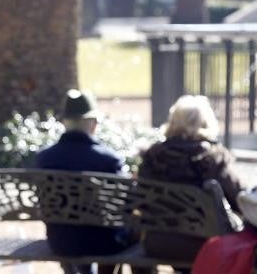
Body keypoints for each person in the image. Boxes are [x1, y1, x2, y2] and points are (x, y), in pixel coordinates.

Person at [138, 95, 245, 269]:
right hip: (203, 245)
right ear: (205, 123)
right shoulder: (212, 159)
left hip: (157, 244)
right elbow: (239, 198)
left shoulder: (152, 157)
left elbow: (140, 201)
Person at [33, 90, 131, 273]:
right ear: (93, 124)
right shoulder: (108, 160)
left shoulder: (44, 158)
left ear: (64, 123)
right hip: (103, 243)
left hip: (61, 242)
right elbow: (125, 205)